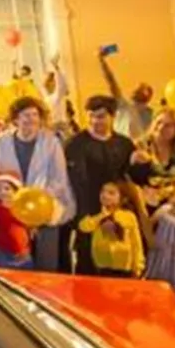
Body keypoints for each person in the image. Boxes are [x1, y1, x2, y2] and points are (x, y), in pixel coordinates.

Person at [0, 97, 75, 272]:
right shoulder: (1, 141)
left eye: (35, 115)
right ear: (16, 119)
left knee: (47, 263)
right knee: (19, 262)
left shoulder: (51, 142)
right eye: (26, 115)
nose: (31, 119)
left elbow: (59, 179)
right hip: (14, 209)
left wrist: (36, 202)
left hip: (45, 207)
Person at [64, 96, 136, 275]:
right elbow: (73, 183)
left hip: (118, 214)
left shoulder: (124, 144)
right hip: (88, 213)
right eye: (91, 116)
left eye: (101, 116)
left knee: (118, 263)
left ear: (113, 117)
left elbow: (130, 179)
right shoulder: (75, 144)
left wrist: (140, 163)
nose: (96, 121)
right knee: (88, 264)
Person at [77, 182, 144, 278]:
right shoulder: (96, 215)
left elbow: (136, 243)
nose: (105, 195)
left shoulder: (128, 216)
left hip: (124, 266)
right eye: (103, 191)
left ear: (122, 198)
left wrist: (138, 266)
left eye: (111, 193)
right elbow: (83, 227)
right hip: (102, 265)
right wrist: (102, 216)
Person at [0, 173, 32, 268]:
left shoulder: (21, 208)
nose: (2, 192)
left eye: (7, 189)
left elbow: (29, 228)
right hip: (2, 251)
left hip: (22, 252)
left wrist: (25, 250)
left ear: (15, 190)